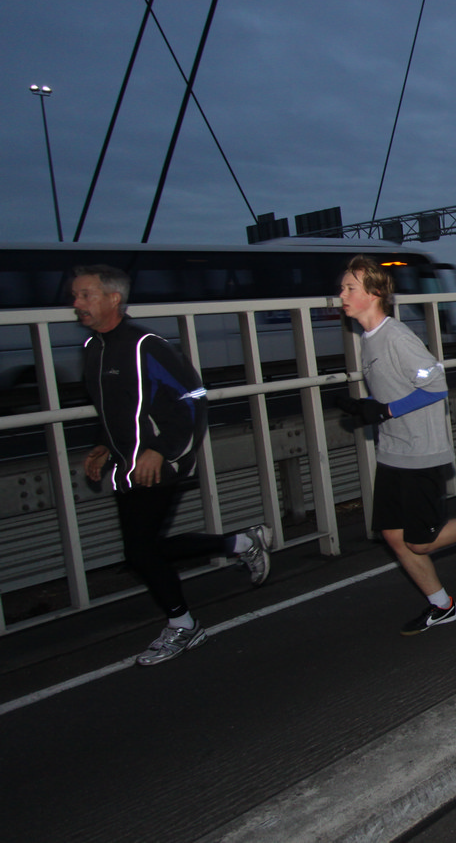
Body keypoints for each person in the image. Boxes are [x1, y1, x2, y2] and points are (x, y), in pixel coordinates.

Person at [73, 264, 272, 666]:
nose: (77, 304)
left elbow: (194, 396)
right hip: (126, 464)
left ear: (113, 298)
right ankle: (241, 543)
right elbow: (113, 409)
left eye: (85, 295)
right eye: (74, 296)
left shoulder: (146, 346)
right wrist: (101, 445)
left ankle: (184, 625)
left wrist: (162, 450)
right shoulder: (93, 348)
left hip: (161, 462)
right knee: (143, 549)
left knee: (140, 550)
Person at [333, 255, 456, 636]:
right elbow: (394, 390)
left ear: (374, 293)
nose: (342, 296)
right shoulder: (368, 339)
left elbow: (435, 385)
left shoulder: (396, 337)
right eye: (342, 288)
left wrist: (384, 410)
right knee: (392, 535)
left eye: (350, 288)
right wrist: (366, 407)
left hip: (421, 452)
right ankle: (442, 605)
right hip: (393, 451)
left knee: (421, 542)